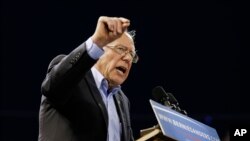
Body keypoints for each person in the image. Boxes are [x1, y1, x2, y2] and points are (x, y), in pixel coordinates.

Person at [38, 16, 138, 141]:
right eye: (121, 49)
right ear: (101, 50)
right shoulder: (73, 76)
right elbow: (51, 88)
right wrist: (96, 42)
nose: (128, 58)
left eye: (132, 54)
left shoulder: (122, 100)